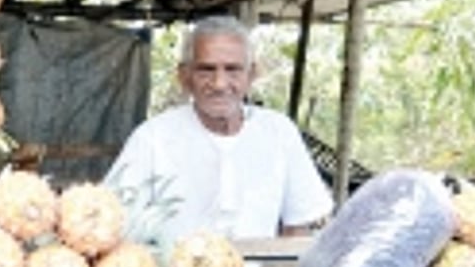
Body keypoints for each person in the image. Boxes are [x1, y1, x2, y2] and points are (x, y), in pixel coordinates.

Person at [106, 15, 333, 246]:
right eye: (206, 70)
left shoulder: (279, 132)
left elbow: (298, 227)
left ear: (251, 75)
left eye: (233, 70)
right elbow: (112, 222)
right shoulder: (153, 138)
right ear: (185, 77)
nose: (219, 84)